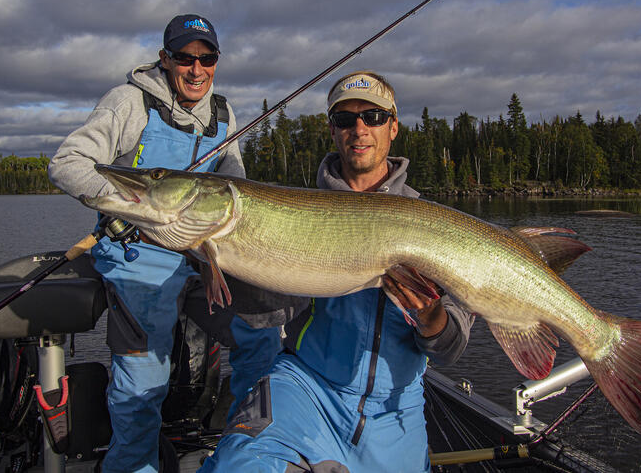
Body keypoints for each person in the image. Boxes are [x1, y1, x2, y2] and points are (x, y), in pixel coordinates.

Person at [200, 71, 474, 472]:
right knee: (242, 466)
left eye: (374, 117)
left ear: (393, 127)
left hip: (396, 408)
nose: (359, 129)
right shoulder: (294, 210)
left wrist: (431, 318)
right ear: (333, 130)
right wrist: (210, 254)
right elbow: (265, 314)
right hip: (307, 387)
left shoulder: (430, 221)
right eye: (345, 119)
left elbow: (450, 349)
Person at [48, 14, 288, 473]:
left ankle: (244, 458)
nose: (196, 69)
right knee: (142, 386)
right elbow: (67, 161)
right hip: (139, 258)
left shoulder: (223, 112)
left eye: (207, 58)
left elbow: (234, 186)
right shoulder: (129, 102)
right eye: (184, 57)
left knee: (261, 344)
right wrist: (125, 213)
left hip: (203, 257)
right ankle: (132, 466)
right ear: (165, 58)